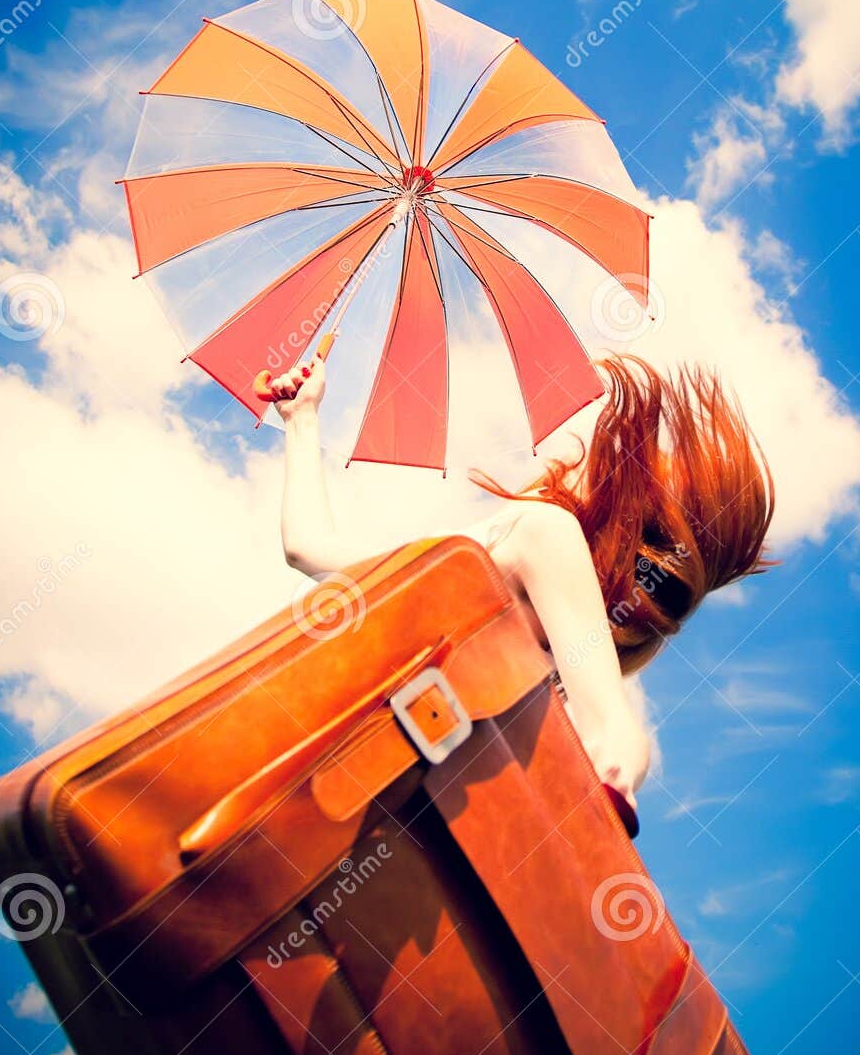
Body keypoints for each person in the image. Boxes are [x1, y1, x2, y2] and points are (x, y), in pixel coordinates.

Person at [264, 352, 774, 835]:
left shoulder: (541, 532)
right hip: (400, 820)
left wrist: (302, 421)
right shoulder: (533, 570)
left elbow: (309, 550)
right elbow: (309, 549)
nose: (580, 456)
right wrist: (302, 414)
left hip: (328, 779)